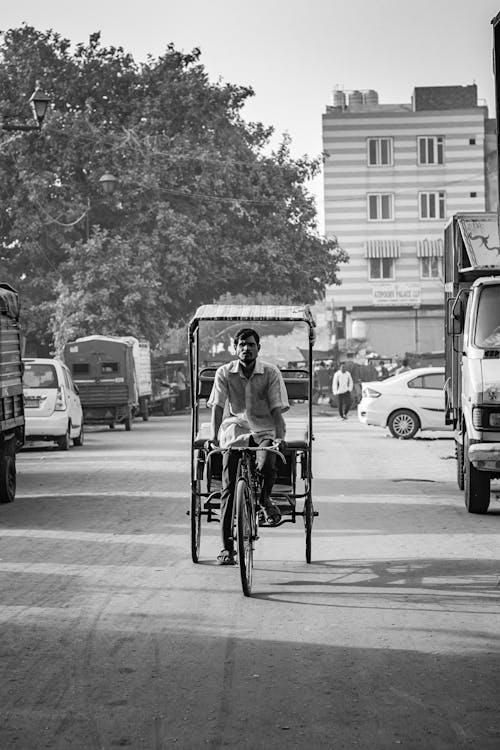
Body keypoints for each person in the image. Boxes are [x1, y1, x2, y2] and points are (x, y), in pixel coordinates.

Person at [206, 328, 289, 565]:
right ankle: (226, 548)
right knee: (229, 488)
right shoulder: (224, 372)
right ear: (235, 348)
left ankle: (263, 499)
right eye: (242, 344)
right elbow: (217, 407)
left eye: (251, 344)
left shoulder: (270, 372)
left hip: (265, 429)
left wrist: (280, 438)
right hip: (236, 430)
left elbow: (276, 410)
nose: (246, 348)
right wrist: (213, 437)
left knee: (267, 462)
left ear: (258, 348)